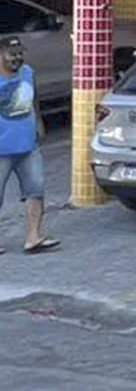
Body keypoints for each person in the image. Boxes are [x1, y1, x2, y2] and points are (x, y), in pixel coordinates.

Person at [0, 36, 56, 255]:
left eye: (20, 53)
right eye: (11, 54)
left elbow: (34, 100)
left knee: (36, 190)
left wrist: (39, 124)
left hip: (28, 146)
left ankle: (33, 238)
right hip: (1, 149)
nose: (17, 58)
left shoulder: (28, 72)